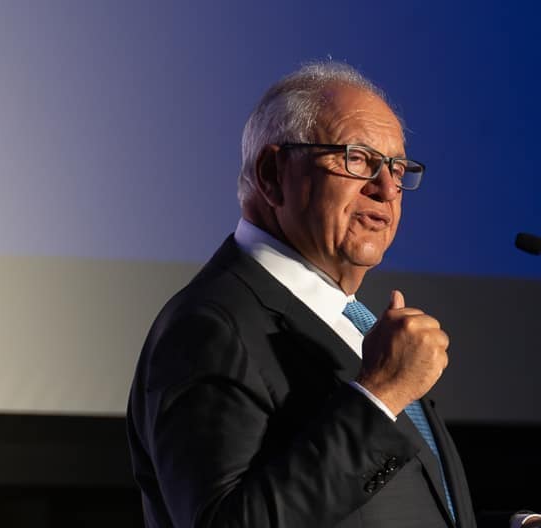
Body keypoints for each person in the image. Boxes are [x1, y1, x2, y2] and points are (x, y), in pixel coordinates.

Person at [126, 61, 473, 528]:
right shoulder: (209, 326)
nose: (387, 189)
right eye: (358, 158)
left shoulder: (353, 323)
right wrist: (383, 393)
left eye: (397, 167)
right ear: (272, 174)